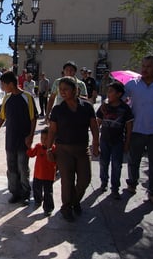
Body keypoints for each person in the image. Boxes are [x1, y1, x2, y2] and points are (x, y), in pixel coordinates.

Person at [46, 77, 99, 222]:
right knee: (67, 182)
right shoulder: (58, 110)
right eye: (60, 89)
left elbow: (94, 126)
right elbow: (52, 131)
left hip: (82, 149)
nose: (62, 92)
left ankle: (75, 201)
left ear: (75, 90)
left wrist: (96, 143)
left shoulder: (87, 107)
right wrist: (49, 148)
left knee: (85, 180)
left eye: (66, 89)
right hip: (64, 150)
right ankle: (66, 207)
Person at [0, 71, 36, 205]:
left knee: (23, 168)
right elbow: (2, 117)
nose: (2, 87)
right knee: (11, 168)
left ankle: (25, 194)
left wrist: (30, 136)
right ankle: (14, 192)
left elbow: (33, 118)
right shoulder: (6, 98)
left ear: (11, 84)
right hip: (10, 140)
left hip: (23, 140)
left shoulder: (27, 97)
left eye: (3, 84)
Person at [124, 55, 153, 205]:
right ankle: (132, 183)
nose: (144, 69)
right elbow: (120, 100)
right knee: (133, 160)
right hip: (136, 130)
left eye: (148, 66)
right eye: (143, 66)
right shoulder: (132, 84)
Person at [96, 81, 133, 200]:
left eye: (111, 91)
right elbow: (98, 124)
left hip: (118, 141)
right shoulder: (104, 107)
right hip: (104, 140)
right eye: (108, 91)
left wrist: (127, 143)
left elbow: (129, 127)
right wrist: (95, 141)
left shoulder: (125, 109)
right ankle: (103, 182)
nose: (108, 94)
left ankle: (115, 188)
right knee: (103, 162)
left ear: (119, 94)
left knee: (117, 165)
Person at [26, 127, 56, 216]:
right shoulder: (38, 146)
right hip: (38, 175)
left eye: (46, 139)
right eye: (42, 138)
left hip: (49, 176)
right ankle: (38, 200)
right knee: (36, 189)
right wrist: (28, 147)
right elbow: (31, 154)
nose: (44, 140)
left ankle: (48, 208)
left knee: (48, 193)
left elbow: (56, 161)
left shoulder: (54, 149)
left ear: (52, 139)